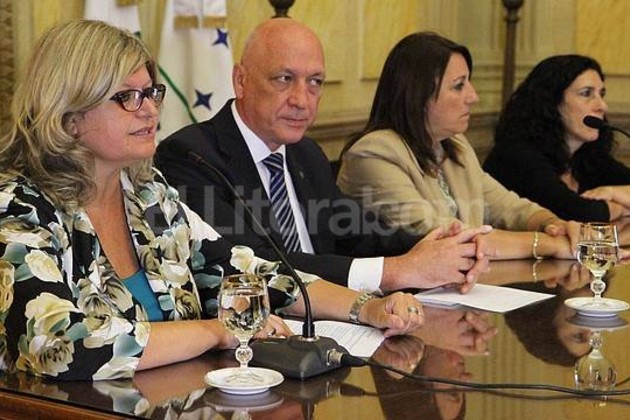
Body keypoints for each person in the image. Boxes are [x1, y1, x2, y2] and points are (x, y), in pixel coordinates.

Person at [0, 20, 423, 381]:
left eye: (151, 93)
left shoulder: (148, 195)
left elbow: (247, 273)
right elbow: (56, 344)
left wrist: (368, 308)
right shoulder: (19, 208)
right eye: (127, 97)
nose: (149, 111)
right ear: (69, 115)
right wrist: (217, 331)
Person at [155, 18, 491, 295]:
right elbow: (254, 265)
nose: (302, 100)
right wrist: (396, 271)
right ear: (240, 81)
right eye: (284, 79)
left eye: (314, 82)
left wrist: (440, 248)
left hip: (334, 324)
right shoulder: (191, 156)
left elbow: (356, 231)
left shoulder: (306, 153)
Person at [337, 31, 579, 260]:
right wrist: (548, 245)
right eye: (458, 86)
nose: (473, 96)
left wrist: (553, 224)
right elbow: (440, 237)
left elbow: (507, 207)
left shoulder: (453, 145)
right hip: (397, 289)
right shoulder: (373, 154)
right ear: (417, 95)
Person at [484, 54, 630, 222]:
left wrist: (613, 192)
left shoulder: (587, 157)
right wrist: (622, 207)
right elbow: (581, 214)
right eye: (586, 93)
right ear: (551, 102)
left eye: (601, 94)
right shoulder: (516, 155)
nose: (602, 106)